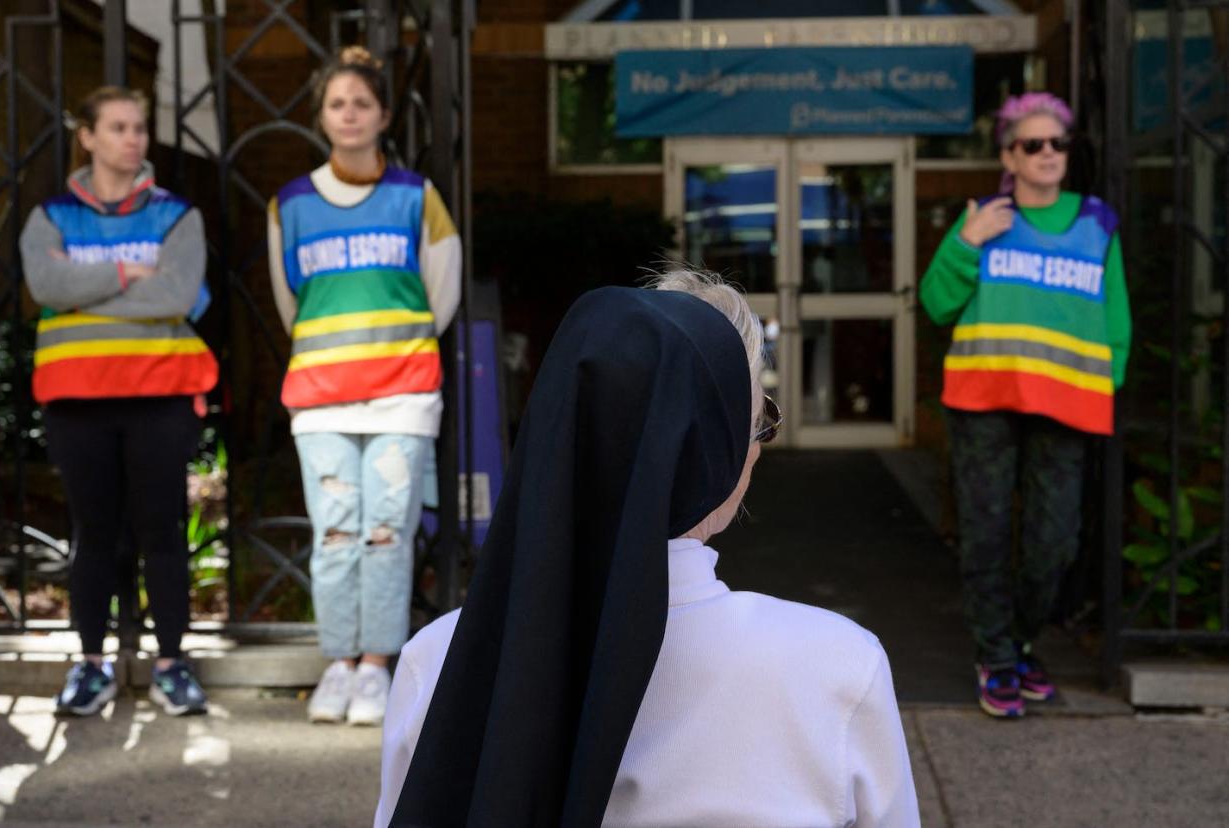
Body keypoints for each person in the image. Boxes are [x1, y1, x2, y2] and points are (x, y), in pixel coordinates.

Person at [375, 272, 920, 827]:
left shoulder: (439, 660)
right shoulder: (838, 668)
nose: (758, 449)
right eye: (757, 426)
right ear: (721, 457)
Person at [919, 92, 1131, 718]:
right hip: (983, 401)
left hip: (1065, 407)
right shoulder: (985, 216)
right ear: (1008, 155)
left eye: (1057, 144)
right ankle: (998, 658)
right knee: (985, 537)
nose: (1047, 154)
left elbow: (1114, 320)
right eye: (1032, 144)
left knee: (1054, 544)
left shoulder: (1097, 223)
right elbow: (935, 304)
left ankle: (1022, 641)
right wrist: (966, 240)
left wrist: (1107, 384)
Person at [267, 46, 461, 726]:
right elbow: (288, 299)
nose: (349, 115)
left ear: (382, 116)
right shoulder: (289, 204)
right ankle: (337, 663)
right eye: (337, 104)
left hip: (403, 392)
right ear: (321, 117)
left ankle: (376, 665)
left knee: (386, 530)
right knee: (337, 533)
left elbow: (443, 292)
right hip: (320, 398)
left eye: (361, 103)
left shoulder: (416, 198)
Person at [20, 86, 218, 717]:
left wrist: (86, 285)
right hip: (77, 401)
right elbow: (45, 283)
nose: (133, 139)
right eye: (118, 128)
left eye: (140, 128)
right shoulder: (50, 216)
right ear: (88, 136)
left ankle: (171, 663)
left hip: (159, 396)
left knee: (163, 531)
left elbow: (178, 294)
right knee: (93, 535)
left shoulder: (177, 215)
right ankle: (89, 663)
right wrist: (132, 272)